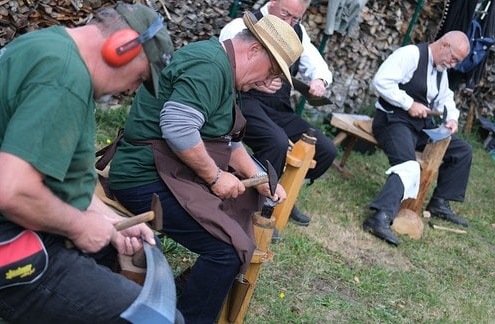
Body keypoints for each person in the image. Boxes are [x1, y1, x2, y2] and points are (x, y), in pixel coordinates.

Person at [0, 2, 185, 323]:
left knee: (137, 253)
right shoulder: (64, 80)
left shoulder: (48, 46)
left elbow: (56, 180)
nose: (133, 90)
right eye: (141, 78)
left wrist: (106, 220)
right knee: (157, 318)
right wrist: (80, 226)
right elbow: (10, 192)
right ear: (121, 48)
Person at [107, 13, 301, 323]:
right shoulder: (210, 66)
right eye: (272, 70)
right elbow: (178, 127)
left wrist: (255, 175)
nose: (268, 81)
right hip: (144, 176)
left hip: (171, 171)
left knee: (243, 206)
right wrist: (214, 177)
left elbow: (226, 141)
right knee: (226, 250)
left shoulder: (224, 68)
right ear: (254, 51)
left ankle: (190, 287)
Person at [219, 0, 337, 228]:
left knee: (326, 150)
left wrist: (320, 80)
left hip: (278, 108)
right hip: (245, 101)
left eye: (296, 18)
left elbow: (318, 65)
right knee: (276, 142)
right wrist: (256, 81)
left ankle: (284, 194)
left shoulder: (297, 32)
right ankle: (254, 204)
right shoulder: (244, 24)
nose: (289, 23)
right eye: (286, 14)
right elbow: (225, 65)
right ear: (272, 2)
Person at [362, 31, 472, 246]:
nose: (453, 64)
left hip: (419, 127)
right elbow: (380, 81)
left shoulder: (440, 68)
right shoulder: (410, 55)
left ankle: (439, 203)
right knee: (408, 165)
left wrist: (451, 118)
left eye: (457, 61)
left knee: (461, 150)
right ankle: (379, 217)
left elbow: (446, 98)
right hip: (392, 121)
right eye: (454, 59)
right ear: (445, 45)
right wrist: (408, 103)